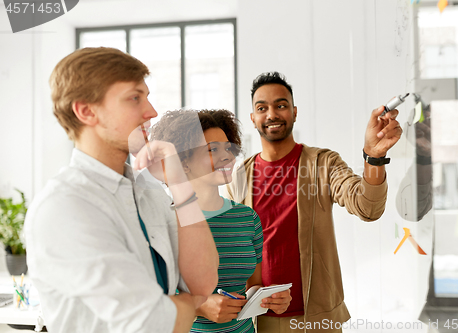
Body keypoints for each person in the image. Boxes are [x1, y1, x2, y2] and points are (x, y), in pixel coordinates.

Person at [24, 47, 219, 333]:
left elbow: (203, 283)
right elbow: (154, 322)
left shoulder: (149, 193)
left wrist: (178, 181)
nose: (151, 112)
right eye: (134, 98)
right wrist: (189, 304)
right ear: (86, 111)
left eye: (147, 97)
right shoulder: (66, 206)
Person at [224, 72, 403, 332]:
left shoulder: (323, 163)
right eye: (262, 108)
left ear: (294, 112)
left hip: (318, 319)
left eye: (281, 105)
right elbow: (233, 250)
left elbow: (368, 207)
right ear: (253, 118)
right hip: (257, 320)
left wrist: (373, 157)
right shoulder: (238, 176)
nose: (272, 114)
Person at [150, 109, 291, 333]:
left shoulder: (247, 219)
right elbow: (148, 298)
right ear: (183, 162)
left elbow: (252, 284)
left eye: (228, 147)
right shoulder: (162, 221)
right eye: (212, 149)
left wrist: (269, 299)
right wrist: (200, 306)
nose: (227, 156)